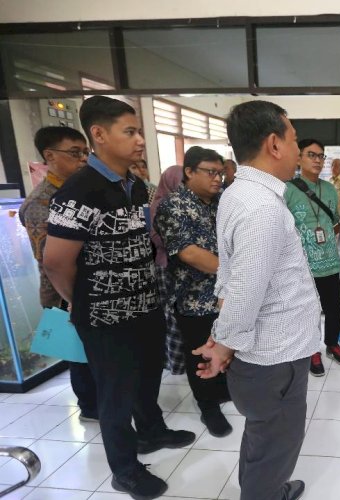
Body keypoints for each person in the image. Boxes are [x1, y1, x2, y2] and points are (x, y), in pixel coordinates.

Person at [43, 96, 195, 500]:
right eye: (130, 131)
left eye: (140, 131)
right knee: (115, 392)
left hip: (144, 304)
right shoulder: (80, 190)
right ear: (99, 134)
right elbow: (56, 261)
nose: (140, 140)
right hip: (105, 315)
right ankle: (124, 469)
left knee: (148, 376)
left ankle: (151, 431)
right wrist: (80, 300)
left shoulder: (134, 186)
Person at [191, 100, 316, 500]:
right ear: (274, 144)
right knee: (276, 444)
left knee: (263, 439)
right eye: (295, 140)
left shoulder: (238, 193)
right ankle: (265, 493)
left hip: (264, 353)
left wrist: (220, 339)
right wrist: (222, 345)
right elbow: (244, 294)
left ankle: (264, 489)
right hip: (275, 357)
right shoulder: (261, 207)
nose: (298, 150)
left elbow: (231, 278)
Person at [19, 126, 98, 421]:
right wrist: (72, 298)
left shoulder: (77, 192)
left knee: (93, 354)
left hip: (86, 287)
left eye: (85, 153)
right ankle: (90, 408)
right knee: (78, 355)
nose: (82, 160)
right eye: (74, 153)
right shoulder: (42, 203)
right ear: (49, 156)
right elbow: (50, 262)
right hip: (63, 292)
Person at [155, 146, 232, 437]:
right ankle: (207, 407)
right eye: (210, 172)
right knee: (200, 352)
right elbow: (188, 252)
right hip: (194, 298)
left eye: (220, 173)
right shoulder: (173, 206)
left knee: (226, 344)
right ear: (189, 172)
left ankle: (223, 389)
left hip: (227, 296)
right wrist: (236, 274)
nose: (217, 179)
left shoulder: (222, 202)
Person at [284, 138, 340, 376]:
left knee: (334, 306)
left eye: (321, 156)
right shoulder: (288, 190)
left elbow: (334, 221)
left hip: (330, 262)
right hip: (302, 265)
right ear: (299, 158)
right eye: (311, 155)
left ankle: (332, 344)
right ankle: (312, 350)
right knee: (308, 310)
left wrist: (322, 242)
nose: (317, 160)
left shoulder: (330, 189)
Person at [149, 164, 185, 376]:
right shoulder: (159, 206)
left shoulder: (188, 204)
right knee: (172, 317)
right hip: (167, 268)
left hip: (188, 267)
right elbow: (159, 239)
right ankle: (176, 364)